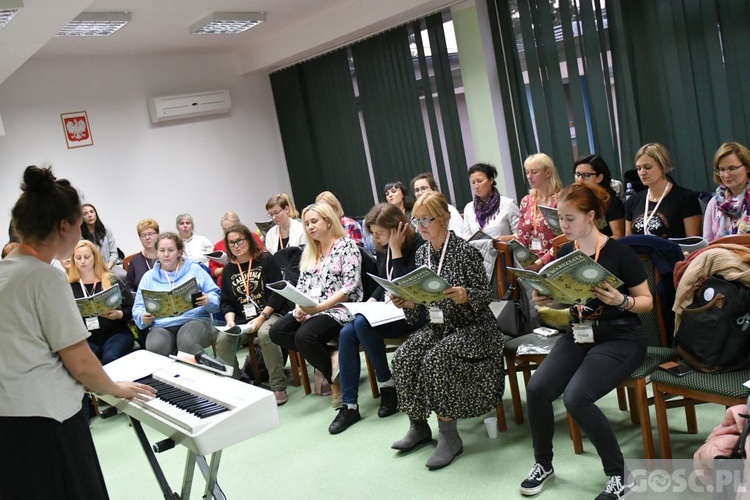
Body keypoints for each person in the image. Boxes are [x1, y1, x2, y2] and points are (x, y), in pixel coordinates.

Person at [0, 166, 154, 499]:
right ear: (64, 226)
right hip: (48, 419)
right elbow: (79, 362)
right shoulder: (46, 277)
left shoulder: (5, 272)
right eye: (79, 225)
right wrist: (116, 390)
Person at [518, 182, 652, 499]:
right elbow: (570, 301)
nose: (563, 226)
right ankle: (543, 464)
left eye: (569, 219)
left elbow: (647, 301)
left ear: (590, 216)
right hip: (579, 333)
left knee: (576, 397)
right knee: (537, 389)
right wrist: (551, 301)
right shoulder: (567, 253)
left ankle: (619, 476)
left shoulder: (620, 253)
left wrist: (622, 300)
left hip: (621, 337)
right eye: (559, 219)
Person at [389, 192, 504, 470]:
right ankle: (418, 425)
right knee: (403, 356)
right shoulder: (421, 252)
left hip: (474, 327)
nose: (421, 226)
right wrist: (408, 301)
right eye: (417, 220)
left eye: (427, 219)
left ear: (445, 219)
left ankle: (450, 436)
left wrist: (467, 296)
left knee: (435, 359)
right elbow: (420, 305)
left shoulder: (465, 251)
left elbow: (487, 295)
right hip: (439, 326)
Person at [329, 203, 426, 434]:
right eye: (372, 233)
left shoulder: (417, 246)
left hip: (415, 312)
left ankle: (387, 386)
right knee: (347, 332)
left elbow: (406, 288)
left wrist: (397, 251)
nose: (375, 238)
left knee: (362, 324)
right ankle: (350, 404)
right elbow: (384, 282)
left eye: (379, 233)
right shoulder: (384, 249)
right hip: (389, 311)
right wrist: (371, 301)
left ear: (396, 229)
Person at [269, 202, 362, 407]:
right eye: (306, 223)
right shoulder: (310, 251)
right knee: (277, 331)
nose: (309, 227)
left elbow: (349, 287)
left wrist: (320, 308)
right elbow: (302, 287)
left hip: (339, 309)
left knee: (304, 337)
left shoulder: (346, 246)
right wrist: (299, 309)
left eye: (314, 221)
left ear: (328, 221)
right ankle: (331, 357)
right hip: (312, 309)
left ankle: (334, 383)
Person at [215, 224, 290, 405]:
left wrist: (262, 316)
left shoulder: (265, 260)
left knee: (265, 334)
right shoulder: (228, 270)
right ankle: (236, 386)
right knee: (223, 340)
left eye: (240, 240)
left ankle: (278, 386)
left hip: (270, 313)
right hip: (242, 320)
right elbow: (225, 301)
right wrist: (230, 320)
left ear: (248, 240)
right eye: (231, 243)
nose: (236, 245)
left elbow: (277, 293)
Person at [133, 232, 221, 356]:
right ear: (157, 253)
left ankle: (199, 372)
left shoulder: (194, 269)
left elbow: (215, 295)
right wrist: (142, 316)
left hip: (194, 320)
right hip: (162, 325)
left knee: (187, 342)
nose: (166, 254)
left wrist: (208, 300)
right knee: (155, 347)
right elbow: (138, 307)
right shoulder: (148, 277)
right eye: (162, 250)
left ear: (179, 252)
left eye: (171, 250)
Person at [68, 240, 134, 365]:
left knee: (110, 357)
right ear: (73, 261)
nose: (83, 261)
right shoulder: (70, 286)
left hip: (116, 333)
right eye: (78, 258)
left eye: (87, 257)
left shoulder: (111, 279)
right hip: (86, 338)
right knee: (85, 361)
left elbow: (132, 308)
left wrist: (119, 314)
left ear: (95, 258)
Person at [624, 143, 702, 238]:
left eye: (648, 167)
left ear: (663, 167)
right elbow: (628, 241)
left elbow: (693, 241)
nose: (642, 173)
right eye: (638, 168)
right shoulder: (633, 200)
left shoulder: (685, 198)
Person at [516, 153, 564, 269]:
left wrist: (541, 262)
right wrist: (524, 259)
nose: (529, 176)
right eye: (527, 172)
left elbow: (564, 238)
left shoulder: (562, 199)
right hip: (531, 263)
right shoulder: (526, 200)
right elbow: (521, 236)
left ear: (548, 172)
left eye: (534, 172)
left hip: (556, 262)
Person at [703, 142, 750, 242]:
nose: (726, 175)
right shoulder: (715, 203)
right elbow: (707, 244)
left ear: (747, 167)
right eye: (722, 169)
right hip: (721, 256)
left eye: (732, 168)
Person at [461, 163, 520, 241]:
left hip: (504, 250)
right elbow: (466, 237)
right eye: (473, 182)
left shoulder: (508, 204)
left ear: (491, 180)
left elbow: (522, 234)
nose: (476, 186)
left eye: (480, 181)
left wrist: (508, 238)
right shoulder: (469, 208)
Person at [573, 154, 625, 238]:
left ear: (599, 178)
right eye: (577, 175)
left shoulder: (612, 203)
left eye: (586, 175)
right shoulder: (576, 202)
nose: (579, 180)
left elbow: (618, 235)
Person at [80, 203, 119, 270]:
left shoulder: (106, 230)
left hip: (109, 266)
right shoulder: (79, 236)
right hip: (90, 270)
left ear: (96, 214)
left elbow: (114, 253)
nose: (90, 215)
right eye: (85, 214)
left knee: (124, 276)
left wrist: (108, 266)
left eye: (92, 212)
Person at [125, 218, 160, 294]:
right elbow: (129, 286)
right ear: (140, 238)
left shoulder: (166, 257)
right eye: (143, 235)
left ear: (158, 235)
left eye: (151, 234)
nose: (147, 238)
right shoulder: (135, 261)